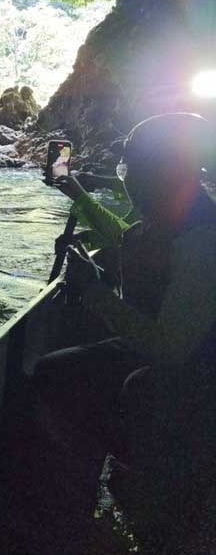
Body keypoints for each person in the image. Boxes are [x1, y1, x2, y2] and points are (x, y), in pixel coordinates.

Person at [33, 113, 216, 521]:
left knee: (127, 388)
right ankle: (81, 485)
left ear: (167, 170)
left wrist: (94, 293)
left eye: (134, 168)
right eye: (126, 168)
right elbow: (125, 237)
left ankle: (161, 492)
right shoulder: (170, 215)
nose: (128, 178)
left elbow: (170, 350)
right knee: (56, 371)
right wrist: (74, 189)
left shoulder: (203, 241)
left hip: (194, 375)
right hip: (157, 353)